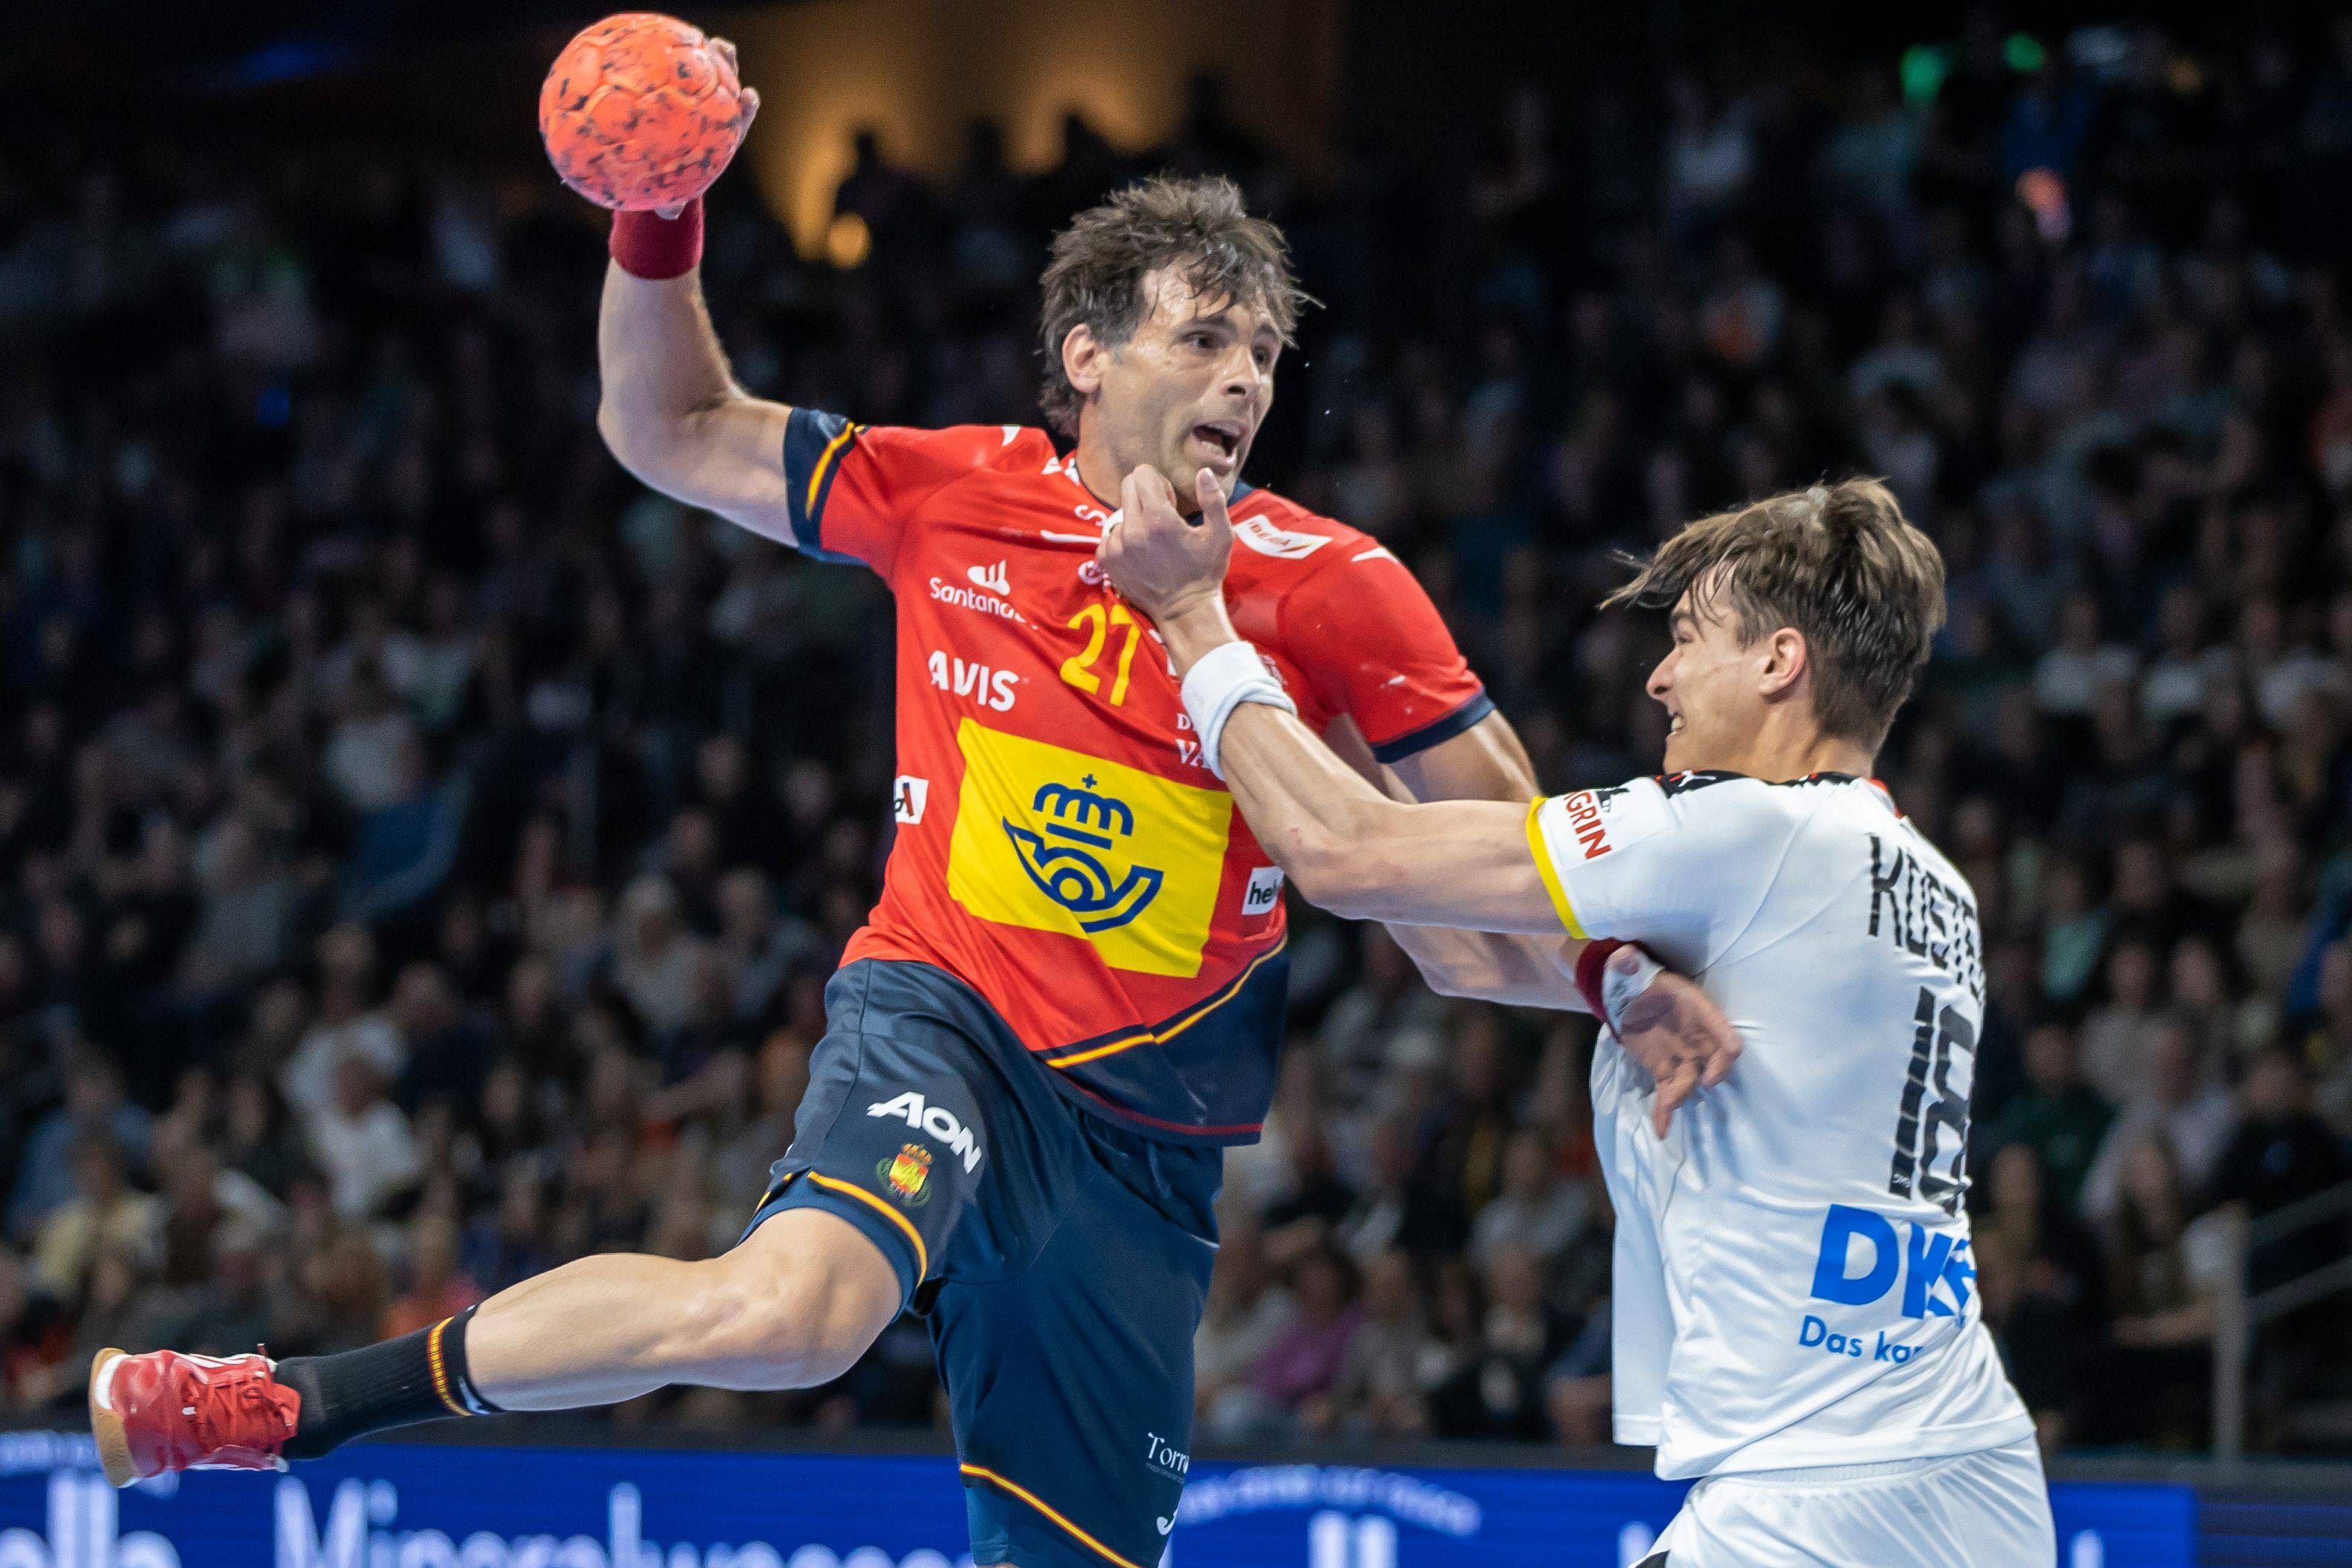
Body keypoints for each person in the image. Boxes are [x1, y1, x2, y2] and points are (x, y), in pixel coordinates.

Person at [90, 65, 1736, 1568]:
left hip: (1146, 1138)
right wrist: (656, 214)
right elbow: (665, 427)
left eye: (1261, 353)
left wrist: (1613, 980)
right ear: (1086, 359)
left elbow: (1495, 884)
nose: (1242, 376)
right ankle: (288, 1404)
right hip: (940, 1016)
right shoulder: (949, 496)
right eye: (1201, 337)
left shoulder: (1338, 586)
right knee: (790, 1312)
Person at [1094, 472, 2052, 1564]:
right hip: (1966, 1468)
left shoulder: (1742, 832)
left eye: (1689, 639)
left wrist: (1189, 618)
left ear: (1780, 663)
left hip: (1819, 1495)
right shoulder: (1926, 882)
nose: (1658, 678)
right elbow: (1461, 950)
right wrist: (1325, 709)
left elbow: (1341, 855)